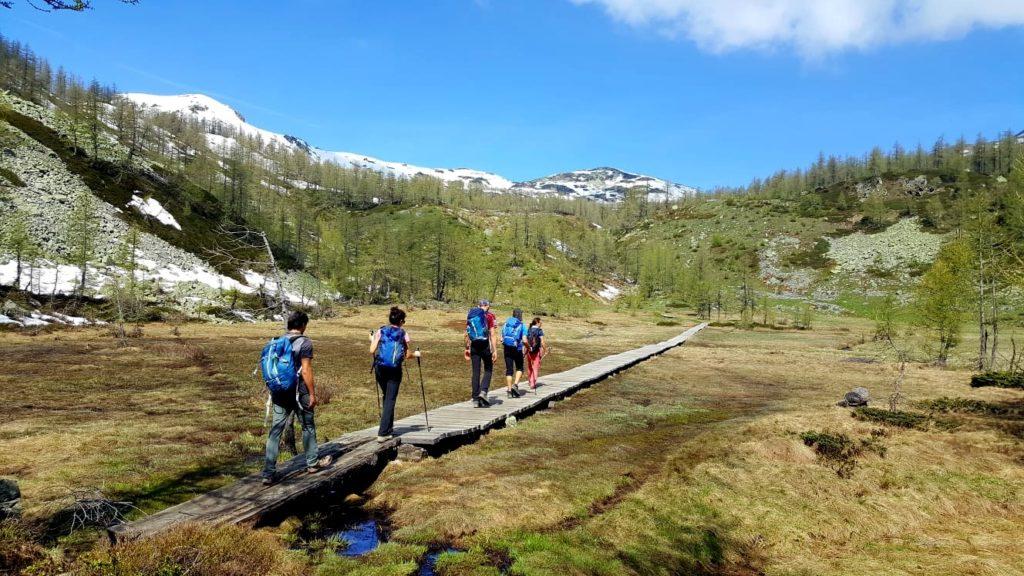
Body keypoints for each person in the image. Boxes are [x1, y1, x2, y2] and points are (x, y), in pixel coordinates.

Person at [262, 311, 330, 485]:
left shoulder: (276, 341)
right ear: (302, 325)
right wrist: (313, 394)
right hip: (300, 392)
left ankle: (268, 473)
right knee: (307, 426)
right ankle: (312, 464)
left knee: (275, 430)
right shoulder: (305, 342)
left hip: (279, 392)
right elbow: (306, 370)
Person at [370, 307, 412, 442]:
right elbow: (408, 355)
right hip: (395, 370)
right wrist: (417, 354)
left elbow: (372, 350)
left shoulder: (381, 331)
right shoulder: (403, 334)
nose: (403, 323)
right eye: (403, 320)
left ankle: (388, 428)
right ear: (400, 321)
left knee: (387, 397)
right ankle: (383, 433)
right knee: (390, 399)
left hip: (380, 369)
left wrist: (372, 339)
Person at [465, 299, 497, 407]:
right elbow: (492, 334)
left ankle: (475, 399)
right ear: (488, 306)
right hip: (484, 345)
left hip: (474, 345)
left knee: (476, 371)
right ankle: (483, 391)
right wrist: (494, 349)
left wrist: (467, 348)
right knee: (488, 368)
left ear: (478, 306)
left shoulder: (471, 314)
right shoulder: (489, 316)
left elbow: (467, 333)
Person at [501, 309, 527, 398]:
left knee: (509, 370)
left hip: (507, 349)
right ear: (520, 316)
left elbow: (502, 338)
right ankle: (515, 385)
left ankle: (509, 390)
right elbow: (524, 340)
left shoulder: (506, 324)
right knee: (520, 368)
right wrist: (528, 347)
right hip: (517, 349)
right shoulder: (522, 325)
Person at [525, 317, 549, 390]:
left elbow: (525, 340)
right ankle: (533, 383)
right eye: (540, 322)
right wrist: (546, 349)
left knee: (529, 366)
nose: (541, 324)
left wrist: (525, 351)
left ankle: (530, 380)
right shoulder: (539, 331)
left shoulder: (528, 330)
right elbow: (542, 342)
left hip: (528, 351)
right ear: (537, 323)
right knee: (535, 367)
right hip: (536, 351)